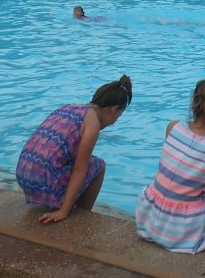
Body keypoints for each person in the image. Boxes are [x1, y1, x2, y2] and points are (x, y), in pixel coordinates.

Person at [136, 75, 205, 252]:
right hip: (180, 229)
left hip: (149, 218)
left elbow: (193, 163)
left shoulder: (173, 127)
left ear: (195, 104)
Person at [16, 75, 132, 224]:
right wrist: (63, 211)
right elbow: (79, 169)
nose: (115, 122)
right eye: (119, 115)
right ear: (115, 110)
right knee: (98, 166)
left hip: (24, 174)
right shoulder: (92, 123)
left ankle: (63, 203)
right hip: (44, 182)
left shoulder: (68, 107)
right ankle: (82, 216)